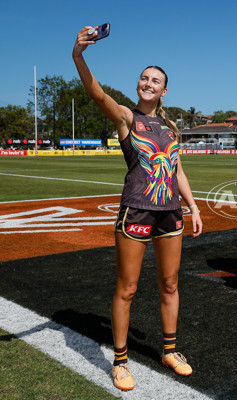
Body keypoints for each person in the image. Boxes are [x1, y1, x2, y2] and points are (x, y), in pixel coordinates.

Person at [73, 26, 202, 391]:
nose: (148, 83)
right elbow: (97, 94)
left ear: (164, 90)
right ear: (138, 85)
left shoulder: (172, 127)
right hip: (137, 210)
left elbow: (176, 169)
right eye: (144, 78)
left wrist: (192, 207)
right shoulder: (127, 118)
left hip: (170, 213)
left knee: (170, 283)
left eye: (155, 80)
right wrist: (78, 55)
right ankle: (120, 360)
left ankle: (170, 350)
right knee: (127, 288)